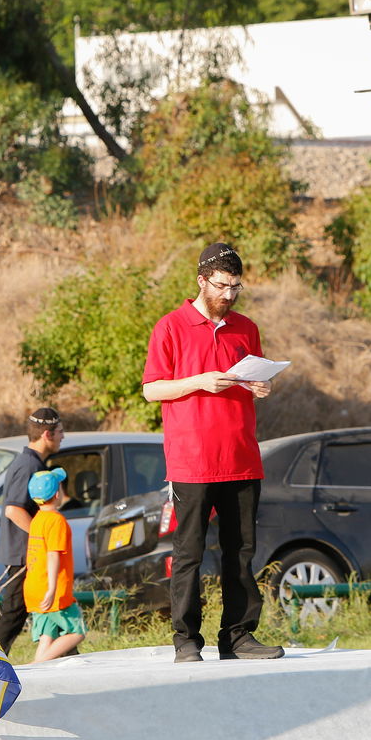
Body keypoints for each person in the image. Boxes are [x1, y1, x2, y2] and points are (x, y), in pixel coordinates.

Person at [142, 242, 284, 663]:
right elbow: (152, 390)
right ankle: (186, 641)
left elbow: (251, 380)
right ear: (202, 281)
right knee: (189, 554)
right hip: (192, 461)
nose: (229, 294)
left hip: (241, 457)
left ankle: (238, 638)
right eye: (222, 285)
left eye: (236, 286)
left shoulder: (246, 328)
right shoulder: (170, 327)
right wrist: (199, 381)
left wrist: (261, 387)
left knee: (241, 553)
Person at [0, 407, 64, 654]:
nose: (63, 436)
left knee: (47, 609)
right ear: (47, 434)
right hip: (23, 555)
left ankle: (64, 659)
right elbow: (14, 510)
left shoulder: (33, 462)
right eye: (60, 432)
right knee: (12, 615)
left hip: (27, 554)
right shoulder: (28, 465)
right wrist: (41, 539)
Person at [23, 467, 86, 662]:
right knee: (77, 632)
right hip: (53, 592)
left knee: (47, 637)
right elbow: (52, 555)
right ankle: (35, 666)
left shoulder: (37, 519)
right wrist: (52, 589)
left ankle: (35, 674)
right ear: (58, 494)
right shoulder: (56, 520)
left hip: (34, 587)